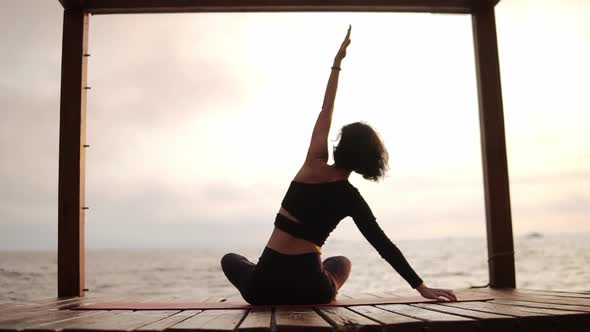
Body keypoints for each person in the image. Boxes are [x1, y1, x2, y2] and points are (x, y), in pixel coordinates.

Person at [221, 25, 457, 305]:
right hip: (311, 288)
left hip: (263, 288)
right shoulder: (351, 198)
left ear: (339, 145)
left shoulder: (313, 166)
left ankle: (268, 271)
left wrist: (337, 64)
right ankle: (320, 284)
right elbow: (382, 244)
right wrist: (422, 287)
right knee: (341, 262)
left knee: (232, 259)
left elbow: (325, 111)